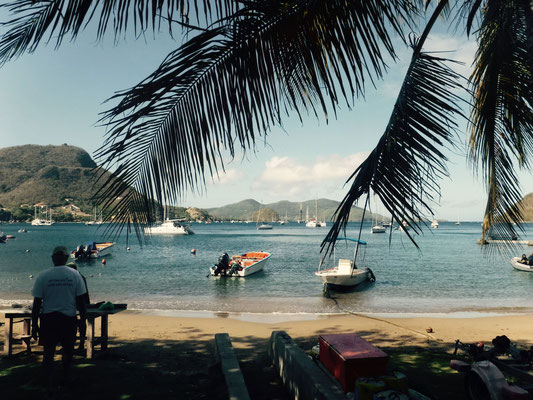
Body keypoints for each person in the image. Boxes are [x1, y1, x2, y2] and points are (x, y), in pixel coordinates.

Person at [31, 246, 87, 393]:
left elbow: (37, 303)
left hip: (48, 318)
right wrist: (83, 320)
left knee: (48, 352)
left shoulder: (43, 275)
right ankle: (65, 379)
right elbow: (81, 301)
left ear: (53, 258)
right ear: (67, 258)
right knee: (68, 352)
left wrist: (34, 324)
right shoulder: (75, 275)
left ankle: (49, 383)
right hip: (68, 318)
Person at [66, 261, 90, 350]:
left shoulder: (76, 277)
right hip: (81, 304)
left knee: (78, 324)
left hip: (76, 304)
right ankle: (80, 343)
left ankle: (79, 343)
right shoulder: (80, 277)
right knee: (81, 323)